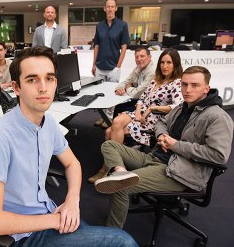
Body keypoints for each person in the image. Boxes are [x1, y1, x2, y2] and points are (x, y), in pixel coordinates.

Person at [0, 46, 138, 247]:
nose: (43, 87)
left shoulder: (48, 122)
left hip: (48, 213)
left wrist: (72, 200)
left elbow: (72, 164)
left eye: (49, 78)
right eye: (32, 79)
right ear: (16, 88)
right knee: (124, 242)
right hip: (21, 236)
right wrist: (54, 220)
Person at [94, 65, 233, 229]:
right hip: (155, 158)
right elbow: (161, 122)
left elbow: (218, 155)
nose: (187, 90)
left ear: (206, 88)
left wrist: (175, 145)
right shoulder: (183, 107)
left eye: (194, 85)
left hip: (178, 172)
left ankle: (112, 237)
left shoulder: (217, 117)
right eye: (184, 84)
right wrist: (161, 136)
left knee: (121, 188)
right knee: (109, 144)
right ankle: (120, 172)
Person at [88, 48, 183, 184]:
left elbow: (177, 106)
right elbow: (142, 98)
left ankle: (107, 169)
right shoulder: (157, 79)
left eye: (169, 62)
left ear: (176, 64)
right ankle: (116, 169)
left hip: (154, 119)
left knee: (110, 131)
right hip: (140, 113)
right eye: (162, 62)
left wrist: (152, 108)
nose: (165, 66)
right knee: (116, 122)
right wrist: (138, 111)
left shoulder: (177, 83)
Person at [92, 0, 130, 126]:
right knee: (100, 93)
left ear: (116, 8)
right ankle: (102, 116)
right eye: (108, 6)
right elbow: (96, 45)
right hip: (100, 66)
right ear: (104, 8)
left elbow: (124, 47)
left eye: (112, 6)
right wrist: (93, 64)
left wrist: (118, 66)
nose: (110, 9)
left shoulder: (122, 25)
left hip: (113, 66)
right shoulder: (99, 26)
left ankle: (108, 117)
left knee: (112, 93)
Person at [113, 47, 155, 117]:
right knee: (118, 107)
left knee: (121, 109)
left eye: (142, 56)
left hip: (147, 105)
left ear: (149, 57)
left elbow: (137, 93)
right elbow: (127, 81)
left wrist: (127, 88)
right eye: (137, 57)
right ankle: (114, 126)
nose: (139, 59)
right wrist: (119, 88)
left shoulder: (152, 72)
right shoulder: (138, 68)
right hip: (138, 101)